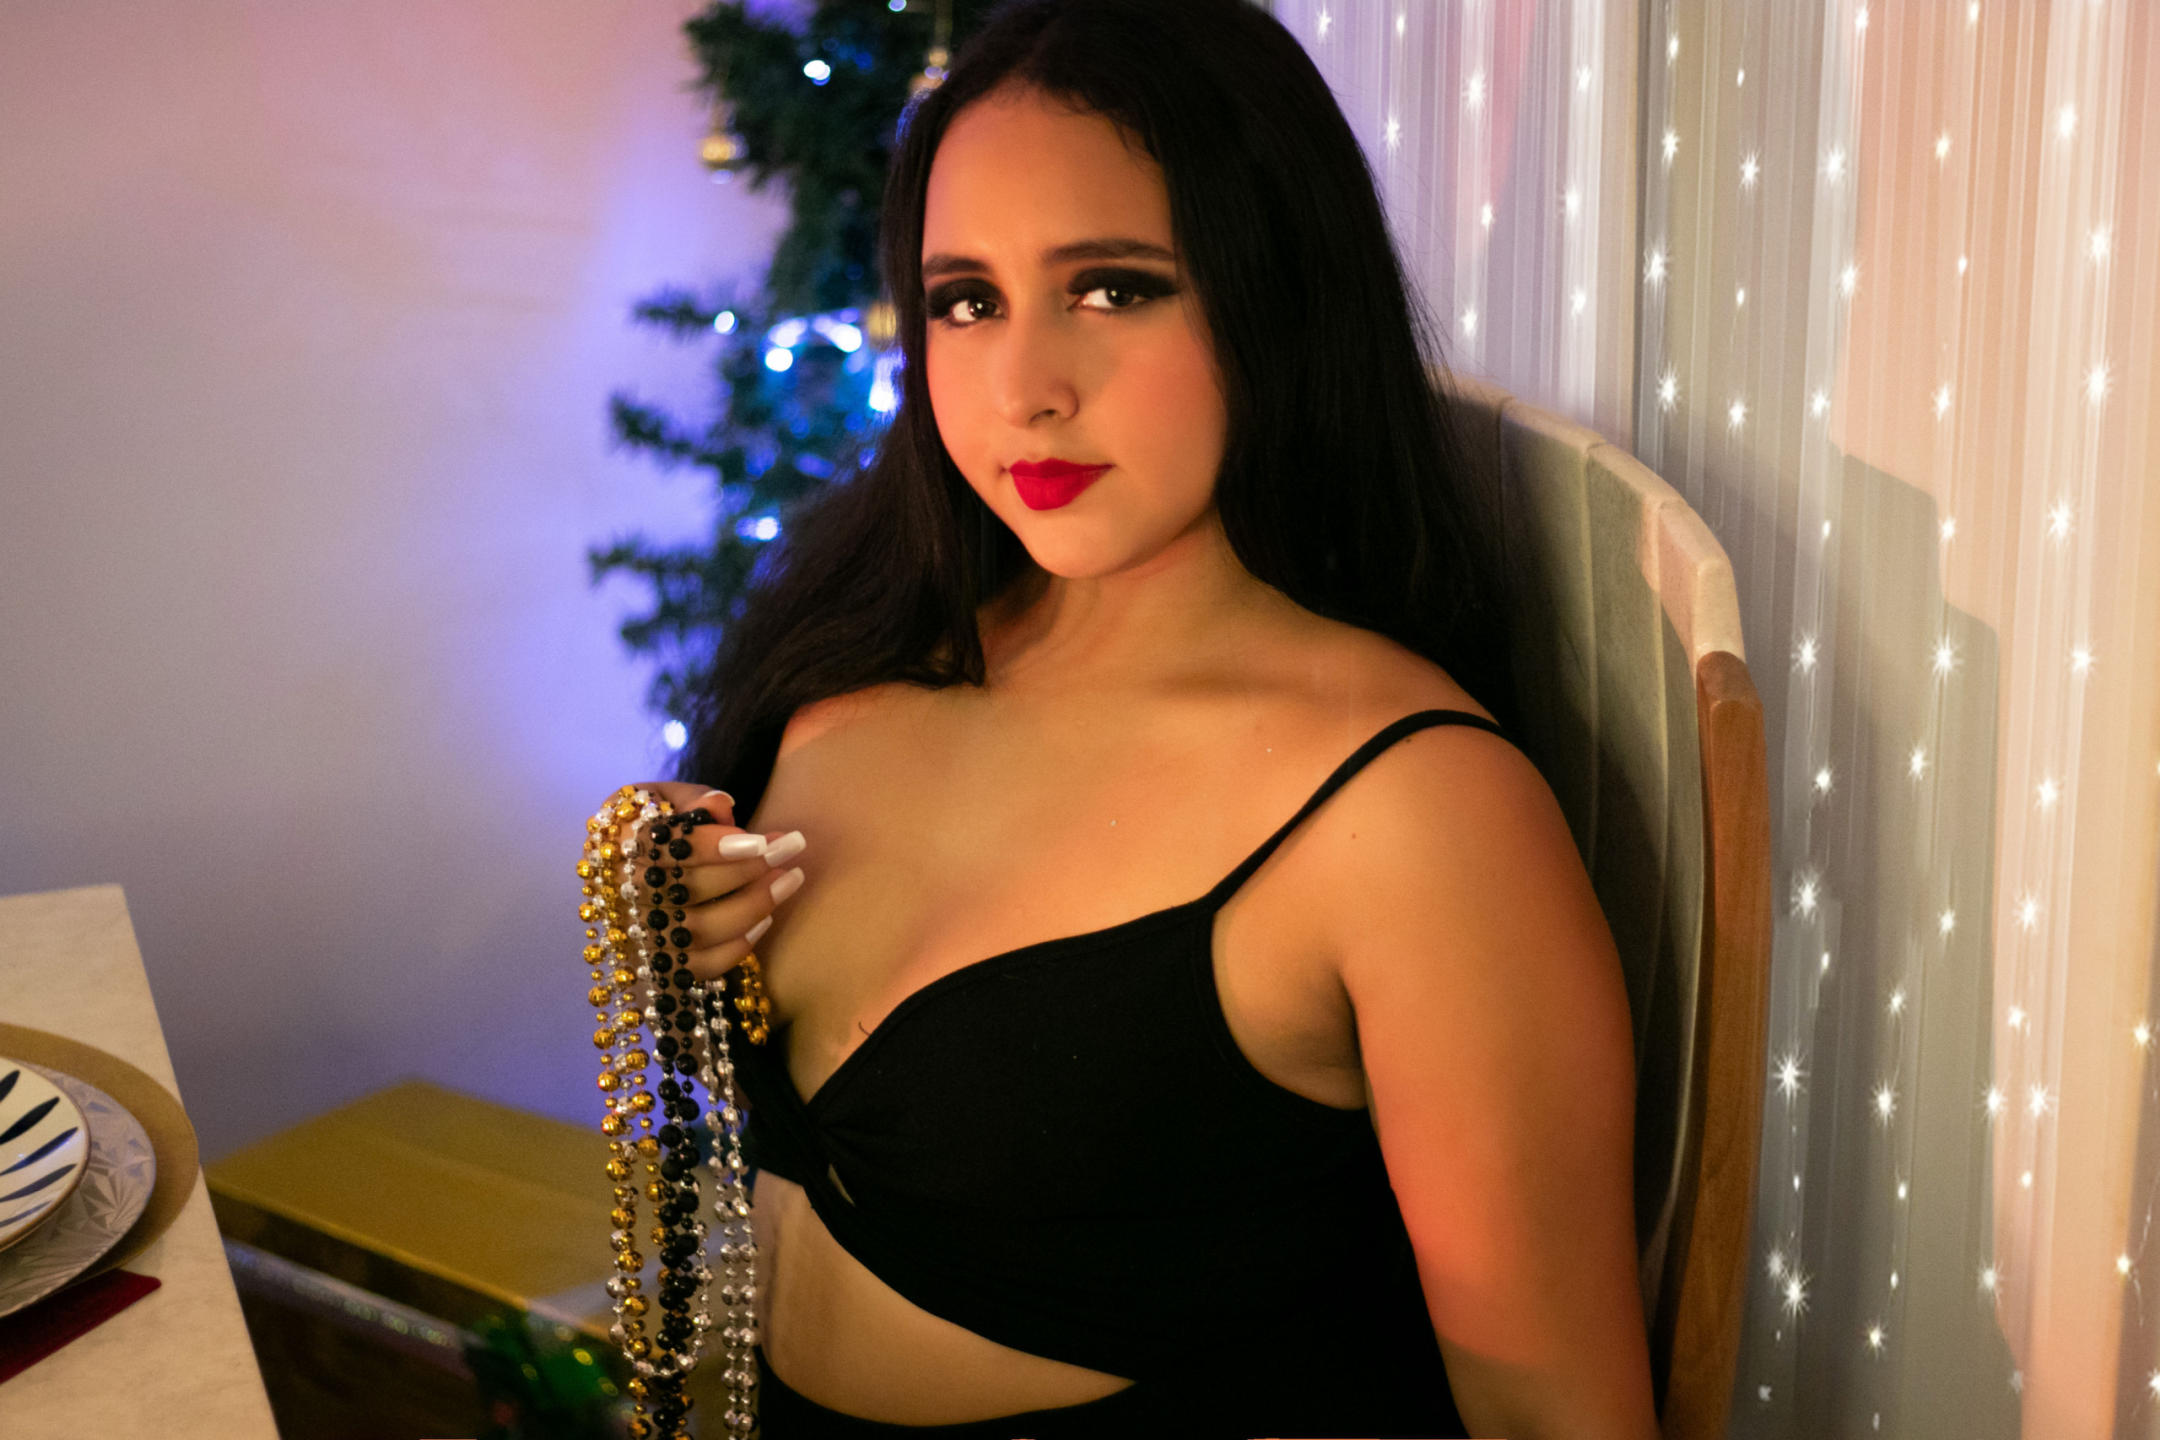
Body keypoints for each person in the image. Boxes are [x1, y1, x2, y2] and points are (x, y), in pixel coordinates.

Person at [626, 0, 1656, 1434]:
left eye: (1112, 289)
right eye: (966, 300)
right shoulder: (862, 658)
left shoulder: (1420, 815)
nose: (1025, 391)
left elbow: (1559, 1421)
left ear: (1274, 290)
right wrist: (669, 900)